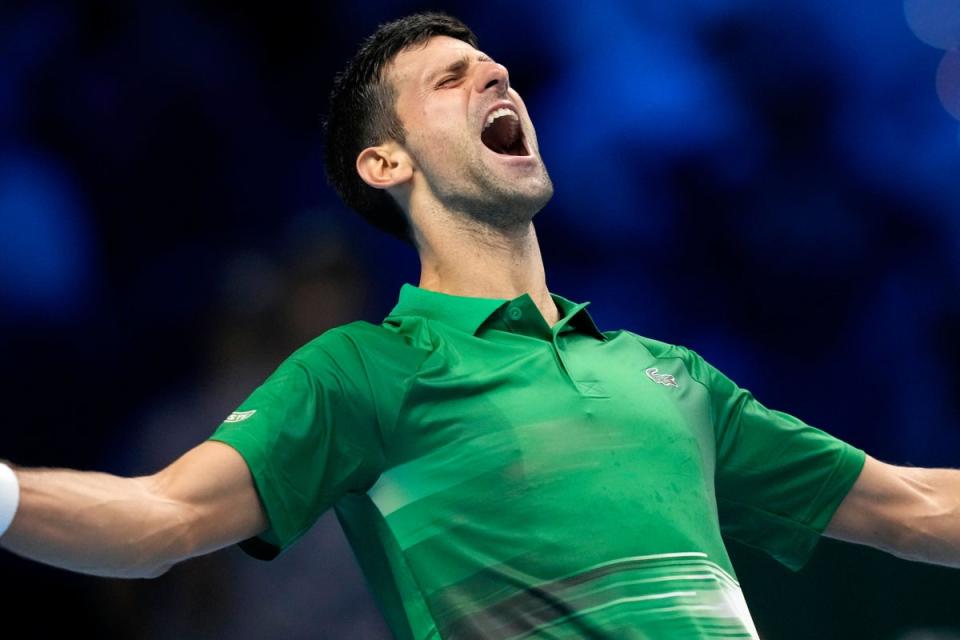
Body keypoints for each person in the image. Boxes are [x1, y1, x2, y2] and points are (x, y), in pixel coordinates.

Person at [0, 11, 957, 639]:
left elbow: (911, 508)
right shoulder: (365, 372)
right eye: (453, 80)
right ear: (386, 163)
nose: (498, 76)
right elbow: (161, 517)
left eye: (498, 68)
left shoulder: (672, 377)